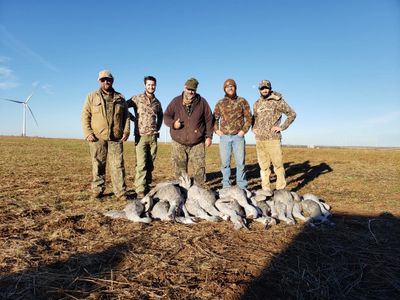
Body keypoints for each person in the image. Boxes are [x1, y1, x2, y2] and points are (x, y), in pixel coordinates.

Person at [81, 70, 130, 201]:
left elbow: (126, 116)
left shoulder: (120, 97)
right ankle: (97, 191)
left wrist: (126, 131)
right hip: (97, 137)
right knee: (98, 164)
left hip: (116, 137)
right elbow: (85, 115)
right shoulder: (92, 96)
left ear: (112, 81)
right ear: (99, 81)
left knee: (118, 165)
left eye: (108, 79)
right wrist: (88, 133)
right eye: (103, 80)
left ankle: (120, 192)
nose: (106, 82)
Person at [163, 78, 213, 186]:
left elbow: (209, 120)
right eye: (189, 89)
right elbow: (166, 116)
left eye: (193, 90)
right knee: (180, 170)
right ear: (184, 88)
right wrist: (173, 124)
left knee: (199, 170)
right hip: (178, 142)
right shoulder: (176, 101)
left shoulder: (202, 102)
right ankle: (182, 192)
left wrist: (209, 136)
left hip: (197, 143)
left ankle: (199, 191)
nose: (191, 92)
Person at [252, 80, 296, 191]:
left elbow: (292, 114)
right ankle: (265, 189)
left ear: (270, 88)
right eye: (262, 88)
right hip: (260, 140)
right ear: (259, 90)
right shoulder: (257, 103)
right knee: (264, 167)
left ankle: (280, 190)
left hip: (273, 139)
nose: (264, 90)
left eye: (266, 88)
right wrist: (254, 129)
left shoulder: (278, 100)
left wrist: (282, 127)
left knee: (278, 166)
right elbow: (254, 118)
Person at [126, 76, 163, 198]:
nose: (151, 87)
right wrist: (133, 119)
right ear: (145, 85)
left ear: (155, 86)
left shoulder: (157, 102)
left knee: (150, 164)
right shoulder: (137, 98)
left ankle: (147, 185)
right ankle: (140, 190)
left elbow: (161, 116)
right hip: (140, 136)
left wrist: (157, 127)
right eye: (149, 84)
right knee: (141, 163)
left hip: (153, 137)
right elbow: (123, 106)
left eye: (153, 85)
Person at [214, 79, 252, 189]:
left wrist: (243, 131)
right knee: (225, 163)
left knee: (240, 163)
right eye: (227, 87)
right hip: (224, 137)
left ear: (235, 88)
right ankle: (226, 185)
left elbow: (249, 117)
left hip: (238, 137)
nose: (230, 88)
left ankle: (242, 185)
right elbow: (214, 119)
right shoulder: (220, 103)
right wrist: (217, 130)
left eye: (232, 86)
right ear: (224, 89)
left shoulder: (242, 101)